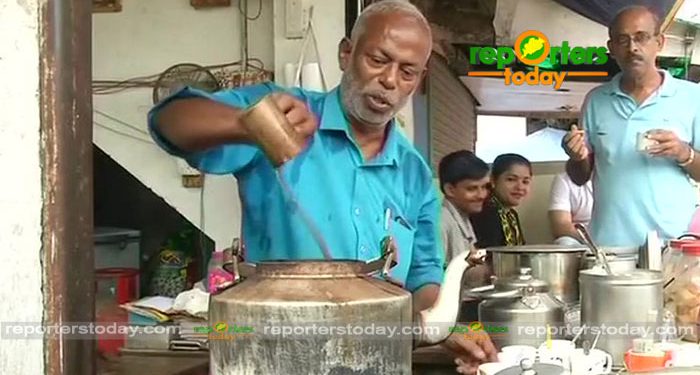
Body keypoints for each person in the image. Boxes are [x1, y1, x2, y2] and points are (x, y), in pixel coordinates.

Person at [147, 0, 496, 372]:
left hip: (377, 362)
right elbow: (170, 122)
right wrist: (245, 123)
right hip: (274, 357)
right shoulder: (283, 116)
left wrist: (445, 326)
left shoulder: (415, 174)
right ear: (347, 54)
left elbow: (422, 277)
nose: (390, 81)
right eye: (378, 60)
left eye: (407, 72)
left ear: (419, 79)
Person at [562, 5, 700, 247]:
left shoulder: (692, 97)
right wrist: (576, 157)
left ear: (660, 42)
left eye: (641, 37)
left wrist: (683, 153)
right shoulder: (596, 100)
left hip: (673, 244)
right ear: (611, 48)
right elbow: (579, 177)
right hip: (610, 246)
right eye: (622, 40)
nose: (633, 48)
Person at [438, 150, 491, 287]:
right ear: (450, 189)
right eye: (472, 188)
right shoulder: (441, 221)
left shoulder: (463, 215)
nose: (482, 195)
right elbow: (435, 278)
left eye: (484, 187)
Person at [471, 154, 532, 249]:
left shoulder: (511, 214)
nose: (520, 187)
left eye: (525, 182)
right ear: (493, 181)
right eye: (511, 180)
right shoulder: (484, 212)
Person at [547, 172, 593, 245]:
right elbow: (560, 226)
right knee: (565, 242)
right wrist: (592, 239)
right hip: (579, 238)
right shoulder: (564, 180)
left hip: (612, 237)